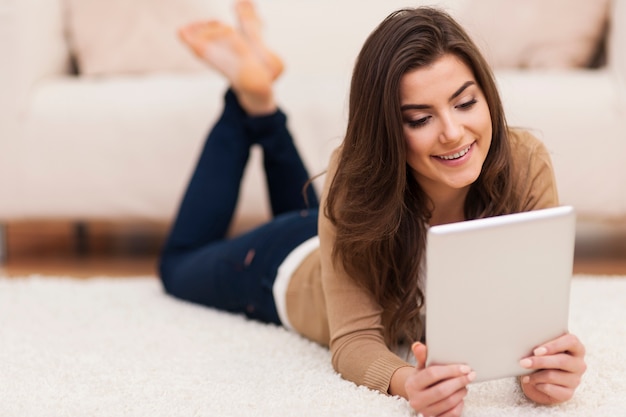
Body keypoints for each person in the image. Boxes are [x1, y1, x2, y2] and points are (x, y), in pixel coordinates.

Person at [159, 2, 587, 416]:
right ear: (386, 131)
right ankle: (247, 102)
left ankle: (262, 102)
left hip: (335, 229)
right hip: (280, 265)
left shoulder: (524, 161)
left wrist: (547, 367)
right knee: (177, 266)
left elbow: (535, 326)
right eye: (420, 119)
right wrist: (407, 382)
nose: (454, 133)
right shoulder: (355, 181)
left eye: (465, 102)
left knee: (313, 209)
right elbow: (353, 341)